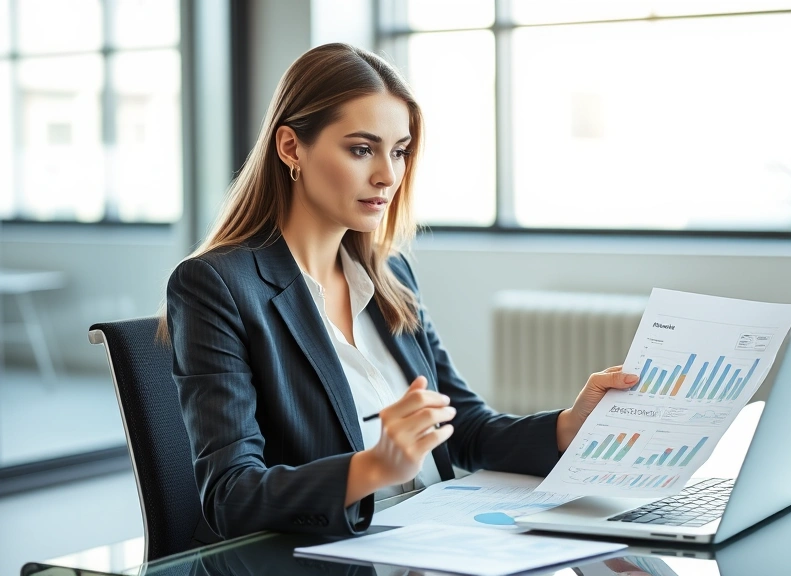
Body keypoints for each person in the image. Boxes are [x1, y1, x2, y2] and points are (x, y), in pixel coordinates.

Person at [164, 43, 638, 540]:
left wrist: (569, 425)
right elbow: (231, 497)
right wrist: (373, 468)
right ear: (290, 148)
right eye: (361, 149)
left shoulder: (390, 275)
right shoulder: (215, 286)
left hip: (439, 541)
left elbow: (464, 427)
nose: (387, 176)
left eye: (399, 151)